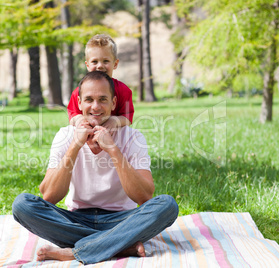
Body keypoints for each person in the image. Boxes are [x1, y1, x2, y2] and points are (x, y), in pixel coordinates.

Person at [12, 71, 178, 265]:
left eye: (103, 99)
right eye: (89, 99)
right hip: (75, 219)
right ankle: (120, 245)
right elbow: (49, 195)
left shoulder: (133, 137)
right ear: (79, 103)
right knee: (22, 205)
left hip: (122, 219)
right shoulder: (65, 136)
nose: (96, 107)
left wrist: (113, 150)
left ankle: (76, 252)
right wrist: (75, 145)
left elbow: (144, 197)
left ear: (114, 103)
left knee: (167, 206)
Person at [68, 34, 134, 132]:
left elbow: (127, 118)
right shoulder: (79, 91)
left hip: (114, 136)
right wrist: (79, 120)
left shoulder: (123, 90)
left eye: (105, 61)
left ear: (115, 64)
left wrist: (115, 121)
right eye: (94, 61)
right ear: (87, 65)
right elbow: (73, 115)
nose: (100, 66)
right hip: (87, 136)